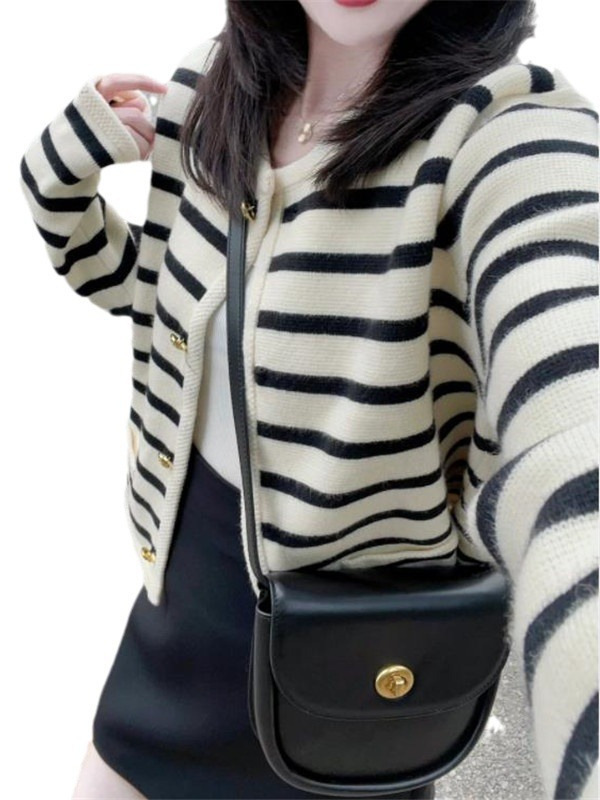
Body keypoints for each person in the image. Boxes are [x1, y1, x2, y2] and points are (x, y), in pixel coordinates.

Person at [19, 0, 598, 798]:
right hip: (178, 622)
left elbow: (574, 423)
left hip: (356, 668)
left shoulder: (504, 138)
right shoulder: (213, 88)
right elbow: (155, 300)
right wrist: (57, 178)